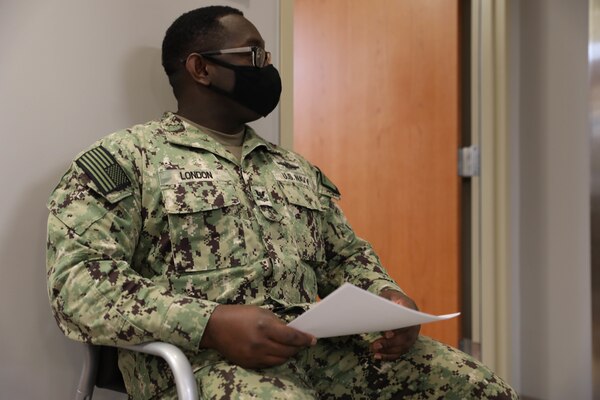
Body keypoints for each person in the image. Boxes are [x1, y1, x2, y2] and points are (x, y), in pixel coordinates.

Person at [46, 5, 518, 400]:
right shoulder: (128, 160)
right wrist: (210, 323)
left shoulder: (292, 167)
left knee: (476, 385)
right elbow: (78, 286)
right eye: (253, 55)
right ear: (201, 68)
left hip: (316, 349)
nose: (266, 68)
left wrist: (387, 300)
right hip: (200, 363)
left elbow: (345, 257)